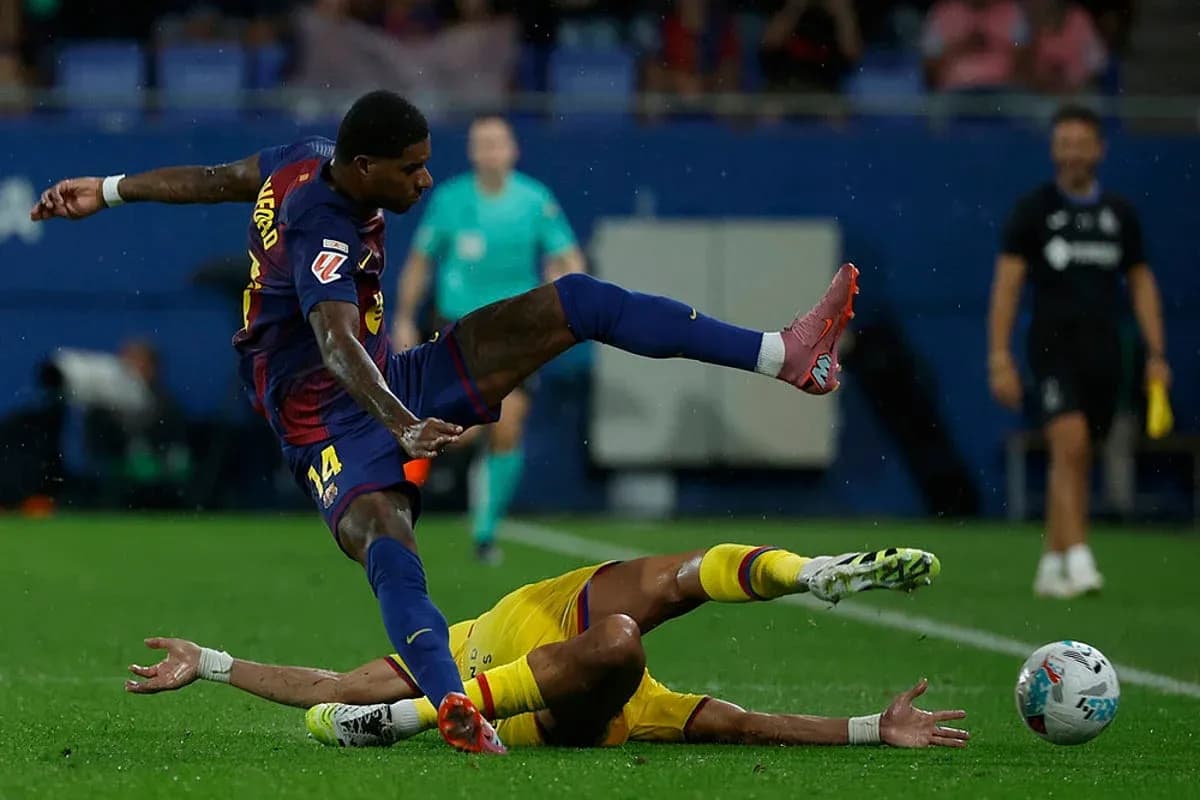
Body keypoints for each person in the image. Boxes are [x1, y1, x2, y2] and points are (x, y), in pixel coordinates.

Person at [31, 89, 857, 755]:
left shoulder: (303, 160)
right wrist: (400, 423)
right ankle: (453, 701)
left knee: (577, 302)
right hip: (322, 417)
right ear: (364, 167)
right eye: (412, 170)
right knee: (389, 545)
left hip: (392, 378)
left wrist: (106, 191)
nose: (425, 183)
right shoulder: (325, 230)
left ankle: (784, 356)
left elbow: (218, 176)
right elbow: (333, 339)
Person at [124, 543, 965, 750]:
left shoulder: (446, 642)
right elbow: (321, 689)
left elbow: (751, 724)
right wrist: (214, 664)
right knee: (643, 616)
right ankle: (809, 570)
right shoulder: (633, 711)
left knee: (641, 615)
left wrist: (868, 730)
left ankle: (428, 719)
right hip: (534, 676)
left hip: (555, 654)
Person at [987, 104, 1170, 599]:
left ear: (1098, 149)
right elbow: (1006, 288)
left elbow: (1142, 284)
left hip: (1105, 351)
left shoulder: (1119, 216)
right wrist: (999, 356)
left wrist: (1156, 353)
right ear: (1053, 150)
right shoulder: (1034, 211)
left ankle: (1050, 562)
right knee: (1068, 446)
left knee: (1079, 454)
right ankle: (1080, 555)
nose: (1070, 153)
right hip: (1051, 347)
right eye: (1062, 143)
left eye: (1079, 143)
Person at [393, 115, 585, 564]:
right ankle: (392, 509)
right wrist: (403, 316)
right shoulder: (451, 199)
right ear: (472, 151)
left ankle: (484, 533)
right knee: (439, 431)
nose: (491, 150)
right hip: (456, 328)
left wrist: (570, 287)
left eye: (498, 141)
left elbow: (567, 256)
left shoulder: (535, 200)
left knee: (509, 426)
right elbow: (420, 262)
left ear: (513, 148)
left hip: (514, 332)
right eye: (482, 142)